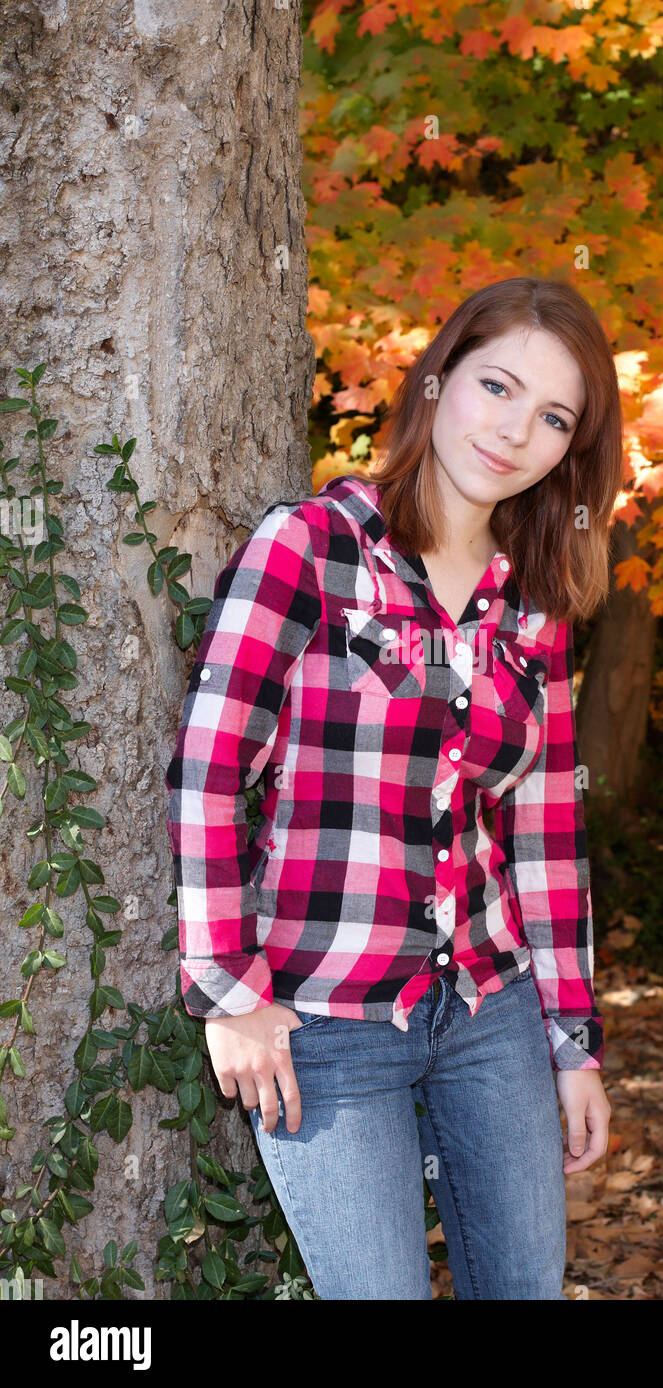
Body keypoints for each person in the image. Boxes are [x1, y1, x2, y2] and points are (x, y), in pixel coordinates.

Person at [164, 275, 623, 1300]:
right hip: (323, 1021)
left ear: (570, 451)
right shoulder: (310, 549)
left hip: (490, 1008)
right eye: (495, 386)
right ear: (436, 380)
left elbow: (544, 834)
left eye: (552, 417)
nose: (513, 431)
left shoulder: (533, 604)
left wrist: (571, 1043)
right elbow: (207, 771)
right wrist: (228, 993)